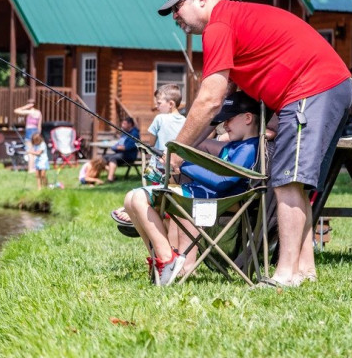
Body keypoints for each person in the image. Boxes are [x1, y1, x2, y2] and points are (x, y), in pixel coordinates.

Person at [156, 0, 352, 287]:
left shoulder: (219, 26)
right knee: (295, 183)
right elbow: (226, 96)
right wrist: (194, 143)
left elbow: (210, 98)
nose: (176, 16)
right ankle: (304, 269)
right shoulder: (233, 20)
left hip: (312, 87)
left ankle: (285, 275)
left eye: (178, 7)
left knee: (287, 180)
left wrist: (176, 152)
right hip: (325, 86)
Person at [121, 91, 262, 285]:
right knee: (130, 199)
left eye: (229, 119)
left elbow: (223, 182)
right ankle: (160, 259)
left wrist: (182, 165)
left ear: (247, 118)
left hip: (217, 200)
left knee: (137, 198)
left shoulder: (249, 148)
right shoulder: (234, 145)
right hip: (201, 193)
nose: (225, 125)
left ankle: (167, 259)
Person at [141, 84, 186, 184]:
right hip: (178, 166)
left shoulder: (159, 118)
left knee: (158, 192)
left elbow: (151, 143)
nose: (156, 107)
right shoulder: (185, 121)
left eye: (159, 103)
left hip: (160, 166)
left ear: (171, 104)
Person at [104, 117, 140, 182]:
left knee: (113, 158)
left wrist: (117, 147)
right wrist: (116, 147)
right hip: (121, 154)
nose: (122, 125)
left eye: (124, 124)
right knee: (104, 157)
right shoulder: (124, 133)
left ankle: (110, 178)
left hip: (130, 156)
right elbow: (119, 144)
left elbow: (127, 147)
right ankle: (113, 176)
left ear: (130, 124)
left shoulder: (134, 134)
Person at [14, 98, 43, 173]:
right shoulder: (39, 112)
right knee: (34, 150)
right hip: (36, 132)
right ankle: (34, 167)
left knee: (30, 150)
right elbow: (39, 125)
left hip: (30, 131)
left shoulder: (30, 111)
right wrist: (39, 134)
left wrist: (25, 107)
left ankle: (30, 168)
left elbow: (16, 110)